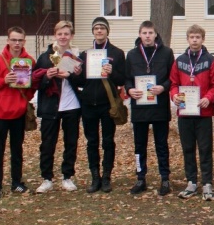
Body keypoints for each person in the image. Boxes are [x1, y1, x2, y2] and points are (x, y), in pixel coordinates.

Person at [0, 27, 37, 199]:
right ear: (8, 40)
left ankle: (17, 183)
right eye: (14, 40)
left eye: (20, 40)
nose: (17, 43)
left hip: (18, 114)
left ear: (24, 42)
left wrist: (26, 95)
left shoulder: (29, 61)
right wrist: (3, 81)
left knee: (17, 150)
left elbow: (32, 86)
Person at [74, 17, 126, 194]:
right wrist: (76, 73)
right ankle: (94, 177)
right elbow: (80, 81)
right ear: (93, 31)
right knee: (92, 141)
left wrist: (112, 73)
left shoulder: (117, 53)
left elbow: (122, 79)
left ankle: (106, 177)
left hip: (107, 103)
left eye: (102, 28)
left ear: (107, 31)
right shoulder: (85, 54)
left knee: (108, 141)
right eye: (96, 28)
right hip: (88, 103)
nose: (99, 31)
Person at [124, 21, 175, 196]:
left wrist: (164, 87)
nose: (147, 36)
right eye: (144, 33)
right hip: (139, 107)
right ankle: (140, 178)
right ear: (139, 34)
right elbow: (127, 78)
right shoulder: (131, 55)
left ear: (155, 34)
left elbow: (172, 78)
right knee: (140, 145)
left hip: (159, 106)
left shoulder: (166, 53)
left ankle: (165, 178)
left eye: (150, 33)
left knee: (162, 144)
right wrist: (129, 89)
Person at [170, 24, 214, 200]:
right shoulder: (180, 61)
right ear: (188, 39)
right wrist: (174, 96)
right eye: (192, 37)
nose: (195, 40)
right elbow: (173, 83)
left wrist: (209, 98)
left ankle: (207, 183)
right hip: (185, 113)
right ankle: (191, 181)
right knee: (188, 148)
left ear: (203, 39)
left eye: (198, 37)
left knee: (205, 149)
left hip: (203, 112)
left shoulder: (211, 61)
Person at [34, 21, 83, 194]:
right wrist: (47, 76)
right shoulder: (46, 56)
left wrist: (71, 75)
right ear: (55, 35)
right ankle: (47, 178)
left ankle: (67, 176)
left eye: (66, 34)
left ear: (71, 36)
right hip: (50, 106)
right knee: (47, 143)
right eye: (60, 34)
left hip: (72, 105)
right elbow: (36, 82)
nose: (63, 37)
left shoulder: (76, 56)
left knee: (71, 142)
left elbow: (82, 83)